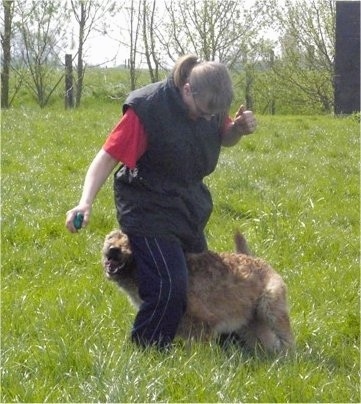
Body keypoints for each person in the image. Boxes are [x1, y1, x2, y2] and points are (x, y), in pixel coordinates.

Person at [65, 54, 256, 350]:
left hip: (187, 205)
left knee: (204, 283)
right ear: (188, 89)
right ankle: (148, 349)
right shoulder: (148, 109)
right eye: (205, 111)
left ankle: (229, 345)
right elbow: (106, 157)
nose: (209, 118)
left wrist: (237, 130)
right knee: (170, 284)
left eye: (215, 114)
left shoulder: (212, 105)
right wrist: (85, 202)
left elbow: (223, 136)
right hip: (146, 205)